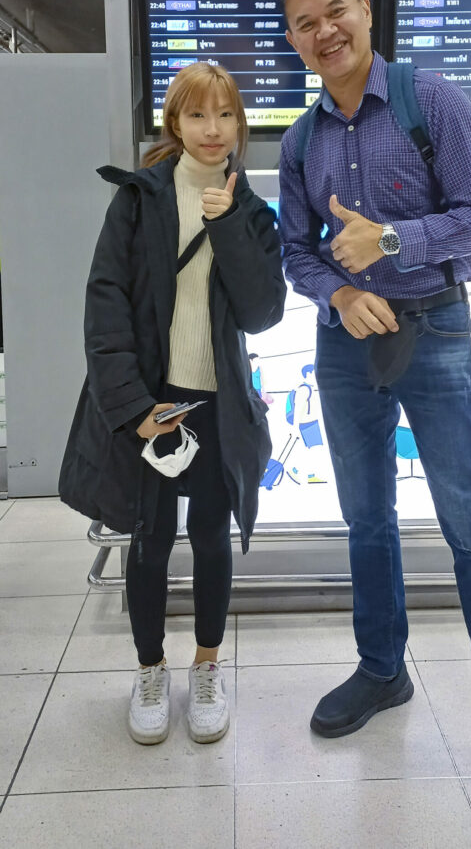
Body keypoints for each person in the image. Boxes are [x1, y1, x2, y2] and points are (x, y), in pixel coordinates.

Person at [278, 0, 471, 840]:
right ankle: (382, 670)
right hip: (346, 344)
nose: (324, 32)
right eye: (305, 24)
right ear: (294, 42)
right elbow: (297, 250)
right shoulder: (301, 140)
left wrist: (395, 240)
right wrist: (337, 290)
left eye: (335, 12)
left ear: (365, 11)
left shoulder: (429, 101)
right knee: (366, 521)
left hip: (435, 329)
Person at [60, 62, 285, 746]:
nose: (213, 129)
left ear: (240, 124)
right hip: (153, 406)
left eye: (225, 114)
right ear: (175, 124)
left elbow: (263, 312)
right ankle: (150, 669)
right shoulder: (138, 199)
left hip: (217, 406)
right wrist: (134, 408)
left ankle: (208, 666)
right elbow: (105, 308)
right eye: (197, 114)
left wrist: (228, 224)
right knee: (150, 540)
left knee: (212, 537)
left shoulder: (252, 211)